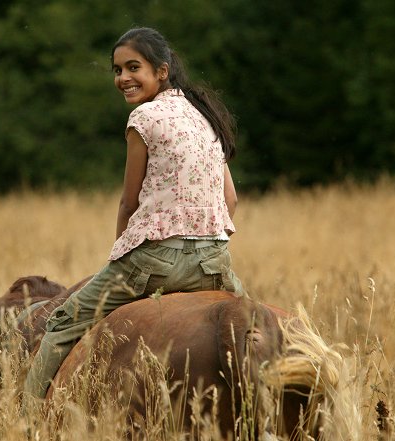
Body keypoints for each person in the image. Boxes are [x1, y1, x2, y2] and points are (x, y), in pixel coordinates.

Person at [23, 27, 244, 402]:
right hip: (214, 261)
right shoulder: (204, 117)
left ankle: (26, 423)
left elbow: (129, 202)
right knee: (258, 329)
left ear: (162, 71)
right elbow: (232, 201)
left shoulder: (144, 118)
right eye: (117, 70)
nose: (123, 78)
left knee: (61, 325)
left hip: (154, 261)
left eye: (133, 67)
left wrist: (119, 256)